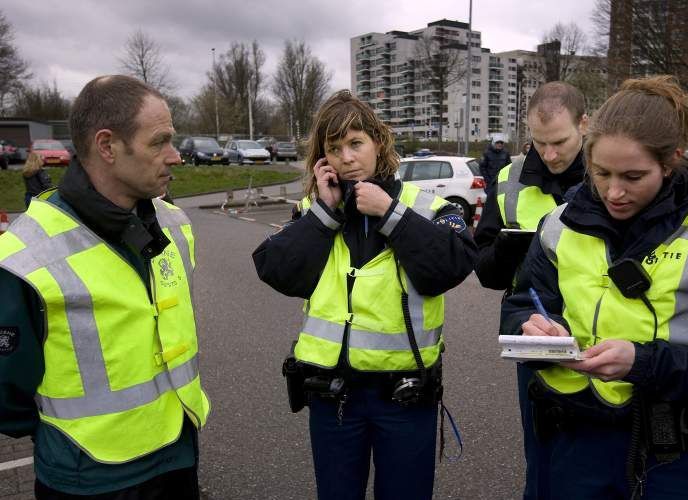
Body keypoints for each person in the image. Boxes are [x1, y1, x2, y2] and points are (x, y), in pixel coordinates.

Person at [501, 75, 688, 499]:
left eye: (633, 176)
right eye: (601, 172)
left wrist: (646, 363)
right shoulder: (558, 224)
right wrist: (536, 329)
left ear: (672, 160)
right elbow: (520, 304)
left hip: (678, 460)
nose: (614, 192)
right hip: (574, 450)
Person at [253, 89, 476, 500]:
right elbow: (276, 270)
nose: (347, 158)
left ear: (379, 143)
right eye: (334, 148)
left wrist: (390, 213)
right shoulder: (315, 210)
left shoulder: (425, 206)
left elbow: (451, 267)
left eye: (356, 144)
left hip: (404, 395)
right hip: (332, 395)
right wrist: (324, 211)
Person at [0, 75, 210, 499]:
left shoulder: (173, 223)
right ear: (107, 146)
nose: (175, 157)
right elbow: (8, 395)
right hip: (89, 478)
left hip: (178, 455)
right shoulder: (23, 255)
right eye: (159, 142)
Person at [474, 81, 587, 500]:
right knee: (542, 458)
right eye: (539, 143)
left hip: (605, 329)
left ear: (585, 125)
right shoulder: (508, 178)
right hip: (536, 329)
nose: (550, 155)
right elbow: (485, 271)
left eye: (560, 142)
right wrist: (510, 245)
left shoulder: (611, 171)